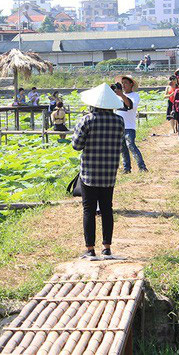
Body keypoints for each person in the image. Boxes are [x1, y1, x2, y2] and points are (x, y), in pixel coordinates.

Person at [72, 84, 125, 259]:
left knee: (88, 210)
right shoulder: (119, 121)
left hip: (89, 172)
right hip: (109, 172)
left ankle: (90, 250)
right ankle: (107, 248)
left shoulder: (87, 120)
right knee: (107, 209)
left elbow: (76, 146)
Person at [114, 75, 148, 173]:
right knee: (122, 148)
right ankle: (126, 169)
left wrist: (121, 95)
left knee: (131, 145)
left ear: (131, 84)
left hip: (129, 126)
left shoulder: (135, 96)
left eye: (126, 83)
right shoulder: (117, 96)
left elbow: (130, 106)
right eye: (122, 83)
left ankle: (142, 167)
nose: (123, 85)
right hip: (119, 126)